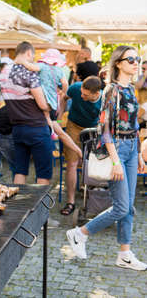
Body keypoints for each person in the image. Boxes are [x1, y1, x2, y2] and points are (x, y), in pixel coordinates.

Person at [66, 46, 146, 271]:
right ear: (118, 63)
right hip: (117, 149)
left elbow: (135, 125)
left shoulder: (130, 89)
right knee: (121, 207)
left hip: (131, 147)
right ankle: (79, 234)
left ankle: (125, 254)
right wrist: (115, 160)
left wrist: (139, 152)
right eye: (130, 59)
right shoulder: (111, 90)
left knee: (128, 207)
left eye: (137, 59)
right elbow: (105, 128)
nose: (135, 62)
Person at [0, 41, 52, 185]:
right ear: (29, 53)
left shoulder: (3, 72)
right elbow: (42, 104)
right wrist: (52, 105)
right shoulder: (29, 72)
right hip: (36, 127)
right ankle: (42, 208)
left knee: (20, 170)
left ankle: (19, 205)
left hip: (17, 128)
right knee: (43, 173)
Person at [57, 76, 103, 215]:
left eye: (86, 95)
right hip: (74, 125)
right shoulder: (76, 88)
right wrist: (60, 115)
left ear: (96, 94)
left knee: (90, 163)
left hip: (93, 128)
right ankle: (70, 202)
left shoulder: (104, 99)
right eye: (81, 93)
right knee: (72, 162)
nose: (82, 96)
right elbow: (64, 98)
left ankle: (89, 196)